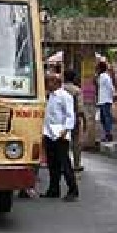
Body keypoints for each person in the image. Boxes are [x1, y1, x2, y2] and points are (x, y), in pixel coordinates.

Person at [42, 73, 78, 201]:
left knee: (65, 163)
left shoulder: (65, 96)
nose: (46, 84)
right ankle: (53, 189)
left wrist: (65, 129)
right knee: (52, 164)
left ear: (56, 83)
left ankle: (73, 190)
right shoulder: (50, 96)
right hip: (48, 133)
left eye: (49, 82)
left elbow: (70, 115)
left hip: (60, 133)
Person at [62, 69, 85, 172]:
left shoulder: (60, 90)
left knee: (62, 141)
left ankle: (63, 164)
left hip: (61, 118)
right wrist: (83, 119)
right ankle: (76, 164)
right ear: (74, 78)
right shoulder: (77, 90)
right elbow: (80, 108)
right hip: (74, 117)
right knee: (76, 141)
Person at [96, 61, 115, 143]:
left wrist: (113, 95)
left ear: (101, 68)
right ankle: (107, 134)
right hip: (102, 100)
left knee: (107, 118)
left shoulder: (105, 76)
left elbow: (111, 87)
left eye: (98, 68)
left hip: (106, 100)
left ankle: (109, 134)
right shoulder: (101, 76)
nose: (97, 69)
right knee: (103, 119)